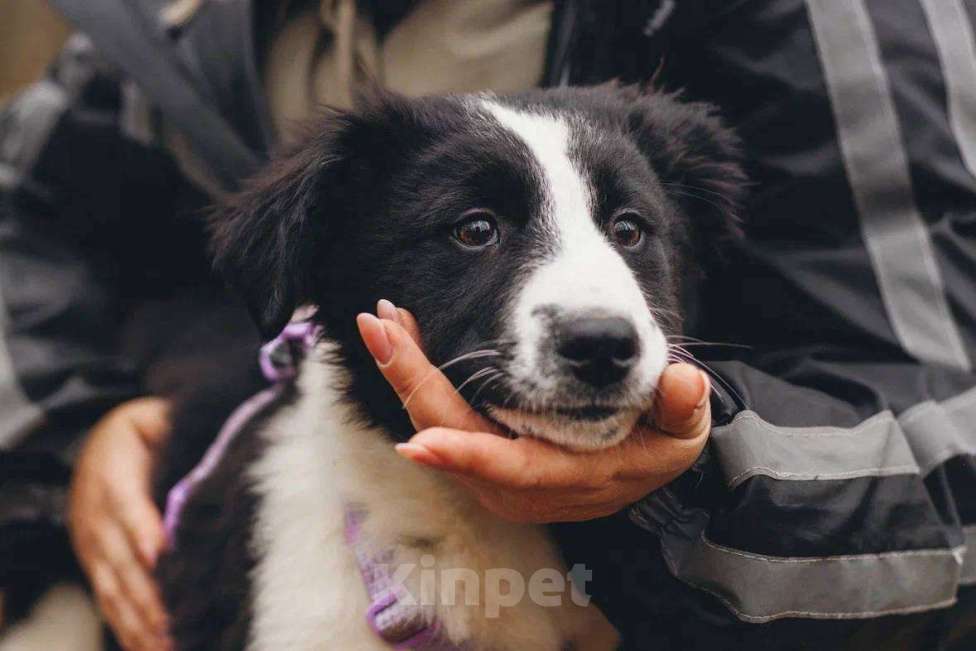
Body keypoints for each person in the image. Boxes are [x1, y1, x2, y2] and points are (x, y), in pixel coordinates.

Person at [1, 1, 974, 649]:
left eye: (628, 227)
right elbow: (27, 209)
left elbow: (940, 430)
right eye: (474, 229)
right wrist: (75, 426)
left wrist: (697, 480)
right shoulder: (170, 18)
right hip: (301, 496)